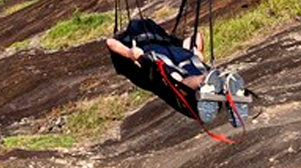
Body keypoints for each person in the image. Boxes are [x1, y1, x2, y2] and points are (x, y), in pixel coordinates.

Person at [106, 20, 249, 126]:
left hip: (179, 60)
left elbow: (196, 36)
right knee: (175, 75)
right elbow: (110, 43)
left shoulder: (168, 41)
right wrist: (130, 53)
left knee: (189, 68)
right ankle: (218, 85)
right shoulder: (129, 41)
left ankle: (214, 85)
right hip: (158, 66)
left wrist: (196, 49)